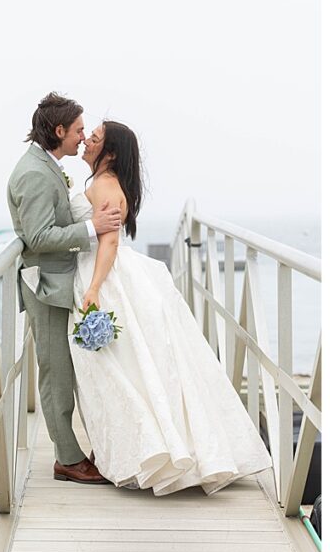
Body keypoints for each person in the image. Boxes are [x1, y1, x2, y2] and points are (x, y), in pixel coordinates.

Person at [69, 120, 273, 494]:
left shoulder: (103, 184)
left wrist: (94, 289)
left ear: (109, 153)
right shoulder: (107, 183)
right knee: (132, 366)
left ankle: (147, 450)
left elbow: (109, 243)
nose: (86, 143)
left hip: (104, 278)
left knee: (118, 369)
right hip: (108, 273)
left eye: (94, 139)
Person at [6, 92, 123, 485]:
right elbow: (38, 237)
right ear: (59, 131)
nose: (82, 136)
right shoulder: (36, 174)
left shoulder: (47, 166)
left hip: (59, 283)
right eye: (77, 130)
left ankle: (75, 451)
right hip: (46, 287)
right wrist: (93, 228)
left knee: (65, 370)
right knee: (55, 374)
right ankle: (68, 459)